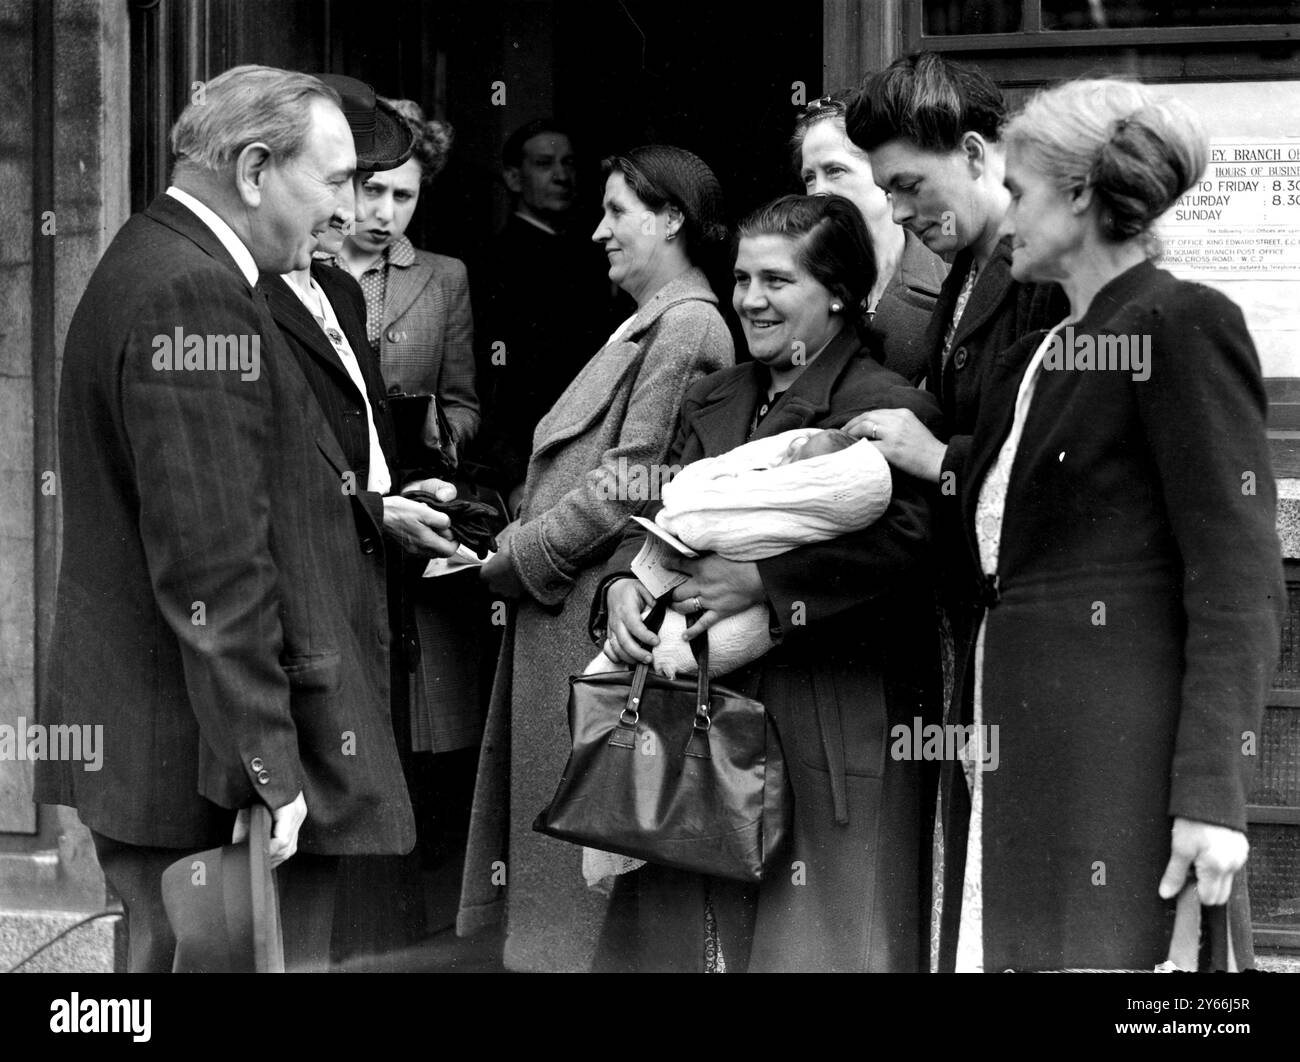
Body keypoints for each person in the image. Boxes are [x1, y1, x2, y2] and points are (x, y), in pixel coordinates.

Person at [35, 65, 454, 972]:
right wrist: (268, 766)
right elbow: (212, 564)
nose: (349, 211)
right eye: (337, 180)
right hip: (207, 767)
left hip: (178, 749)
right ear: (256, 169)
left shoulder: (162, 259)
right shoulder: (194, 289)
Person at [943, 78, 1283, 971]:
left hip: (1118, 765)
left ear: (1082, 192)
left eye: (1017, 191)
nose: (1004, 216)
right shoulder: (1033, 357)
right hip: (1011, 748)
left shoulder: (1180, 322)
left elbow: (1238, 580)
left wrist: (1213, 798)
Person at [594, 194, 943, 972]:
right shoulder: (719, 395)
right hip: (701, 703)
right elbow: (659, 505)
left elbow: (912, 547)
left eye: (777, 281)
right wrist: (622, 582)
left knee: (809, 940)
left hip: (820, 707)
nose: (750, 299)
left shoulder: (881, 404)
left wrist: (763, 581)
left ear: (842, 292)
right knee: (686, 932)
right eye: (743, 278)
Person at [457, 144, 735, 972]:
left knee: (574, 905)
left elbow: (632, 484)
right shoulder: (655, 320)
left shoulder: (686, 324)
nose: (598, 232)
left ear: (672, 219)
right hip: (570, 619)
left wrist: (519, 555)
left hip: (587, 622)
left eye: (617, 213)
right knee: (557, 890)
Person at [470, 118, 622, 509]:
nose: (561, 176)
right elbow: (495, 383)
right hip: (530, 460)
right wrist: (515, 475)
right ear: (514, 177)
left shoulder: (594, 253)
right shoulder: (493, 263)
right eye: (544, 164)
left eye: (568, 164)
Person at [792, 91, 947, 384]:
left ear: (883, 173)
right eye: (809, 177)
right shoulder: (797, 290)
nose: (818, 193)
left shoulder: (948, 290)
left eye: (834, 171)